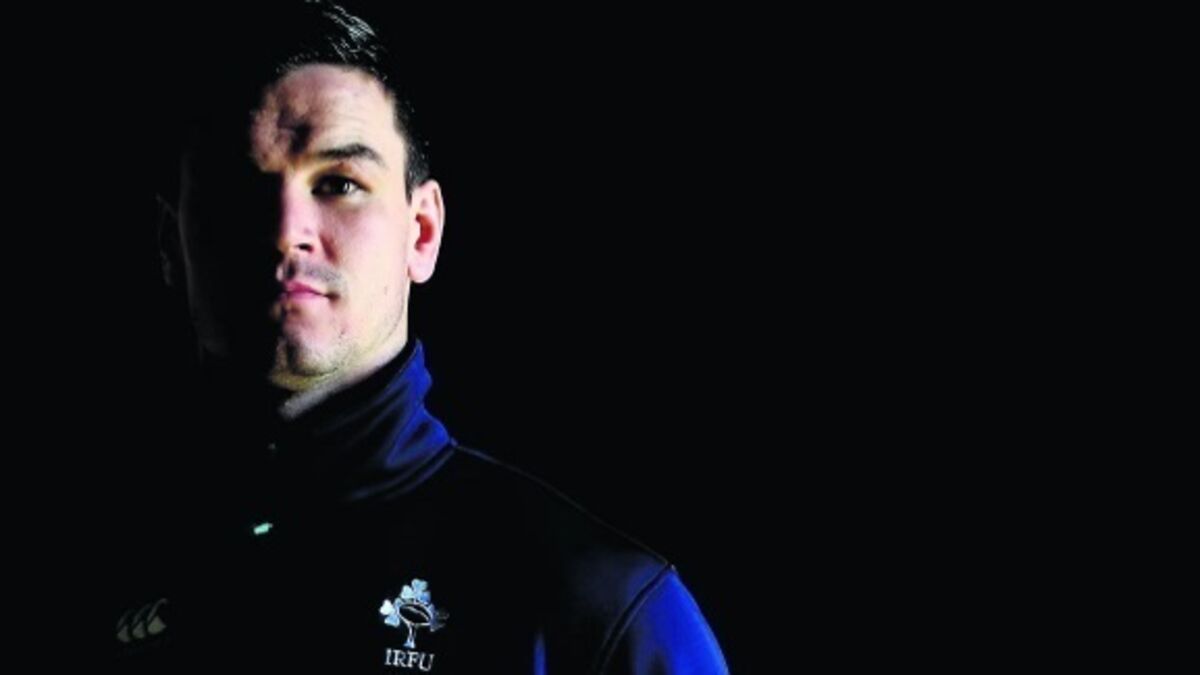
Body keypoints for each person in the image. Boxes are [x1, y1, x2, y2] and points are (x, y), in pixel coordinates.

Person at [114, 2, 728, 672]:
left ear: (422, 233)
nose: (286, 230)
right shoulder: (87, 568)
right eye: (238, 182)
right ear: (169, 242)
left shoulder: (601, 613)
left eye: (339, 183)